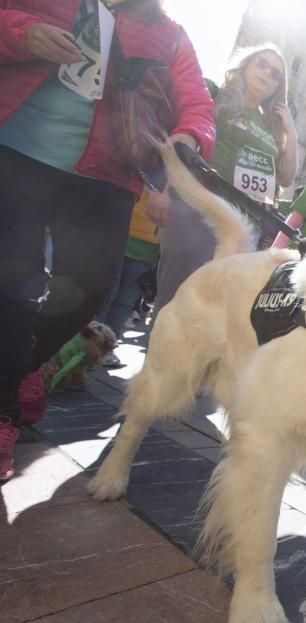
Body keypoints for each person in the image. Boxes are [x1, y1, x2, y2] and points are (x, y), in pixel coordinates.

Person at [0, 0, 214, 479]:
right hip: (16, 152)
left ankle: (22, 367)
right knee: (11, 284)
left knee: (88, 292)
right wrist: (22, 32)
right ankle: (4, 412)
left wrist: (189, 140)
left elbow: (197, 105)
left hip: (107, 175)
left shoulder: (168, 32)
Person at [154, 43, 297, 314]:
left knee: (214, 312)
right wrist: (157, 189)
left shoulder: (271, 127)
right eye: (261, 64)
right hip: (199, 206)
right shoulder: (213, 95)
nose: (267, 73)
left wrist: (291, 132)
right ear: (245, 65)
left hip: (244, 225)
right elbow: (172, 140)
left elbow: (287, 177)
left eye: (276, 73)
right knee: (179, 300)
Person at [96, 190, 162, 367]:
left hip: (148, 245)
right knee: (105, 295)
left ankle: (107, 347)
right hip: (118, 230)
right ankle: (88, 347)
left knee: (125, 301)